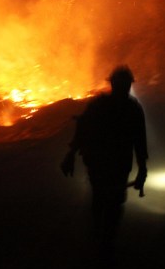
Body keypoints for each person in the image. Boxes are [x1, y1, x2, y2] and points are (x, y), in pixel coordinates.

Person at [61, 65, 148, 250]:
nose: (123, 88)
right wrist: (70, 154)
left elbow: (140, 142)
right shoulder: (119, 107)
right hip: (105, 164)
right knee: (107, 201)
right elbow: (83, 129)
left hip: (109, 164)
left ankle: (103, 241)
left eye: (125, 84)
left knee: (107, 201)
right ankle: (102, 240)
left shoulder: (124, 108)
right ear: (115, 84)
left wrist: (143, 169)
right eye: (121, 84)